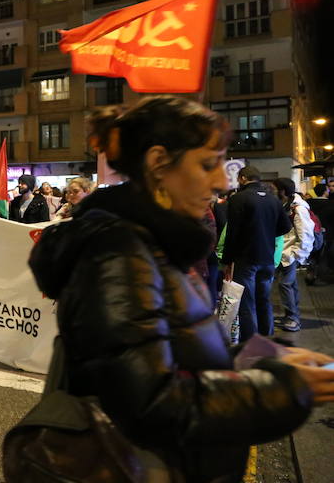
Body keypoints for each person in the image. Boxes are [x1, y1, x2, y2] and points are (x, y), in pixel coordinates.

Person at [27, 96, 332, 482]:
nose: (221, 181)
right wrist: (282, 389)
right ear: (158, 163)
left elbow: (175, 354)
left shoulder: (156, 245)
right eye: (207, 164)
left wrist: (260, 360)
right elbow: (151, 403)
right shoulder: (119, 255)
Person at [221, 166, 292, 341]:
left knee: (247, 303)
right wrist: (266, 234)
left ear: (243, 178)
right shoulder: (273, 199)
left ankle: (251, 344)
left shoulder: (238, 199)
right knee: (264, 301)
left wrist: (227, 260)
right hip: (267, 259)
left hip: (245, 259)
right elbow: (286, 226)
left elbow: (232, 232)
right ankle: (268, 339)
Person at [272, 177, 314, 332]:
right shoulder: (286, 205)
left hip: (289, 253)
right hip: (283, 252)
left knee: (285, 284)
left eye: (274, 188)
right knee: (290, 284)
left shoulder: (298, 208)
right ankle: (291, 315)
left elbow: (306, 234)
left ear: (282, 191)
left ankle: (293, 318)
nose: (272, 191)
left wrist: (295, 254)